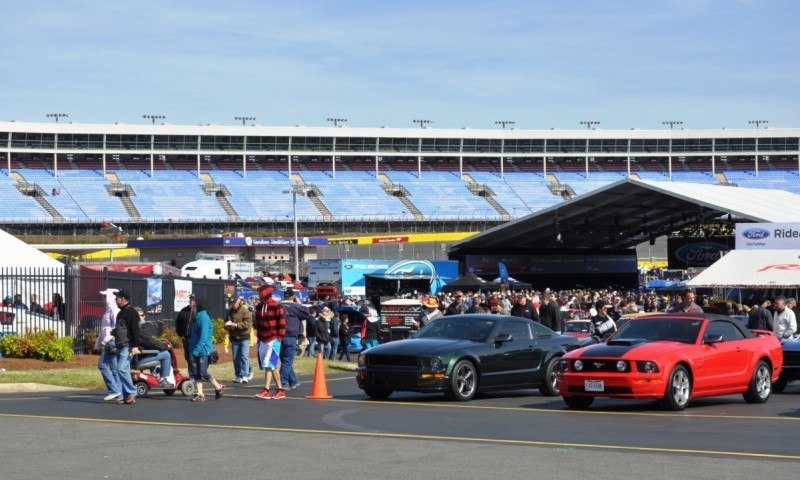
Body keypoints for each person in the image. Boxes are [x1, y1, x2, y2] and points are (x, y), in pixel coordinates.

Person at [254, 280, 287, 400]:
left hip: (273, 339)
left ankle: (268, 390)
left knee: (269, 364)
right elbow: (257, 323)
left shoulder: (276, 305)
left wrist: (279, 338)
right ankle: (279, 389)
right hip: (263, 339)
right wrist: (256, 335)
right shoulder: (259, 307)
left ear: (266, 293)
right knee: (271, 366)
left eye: (260, 292)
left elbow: (282, 323)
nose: (258, 294)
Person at [188, 298, 225, 402]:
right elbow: (208, 330)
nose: (193, 307)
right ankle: (200, 393)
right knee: (196, 373)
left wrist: (196, 350)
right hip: (195, 349)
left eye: (194, 305)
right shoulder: (197, 317)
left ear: (199, 306)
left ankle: (218, 387)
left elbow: (204, 337)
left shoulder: (203, 317)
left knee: (203, 372)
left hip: (203, 350)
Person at [132, 307, 174, 387]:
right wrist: (165, 347)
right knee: (166, 354)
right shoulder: (139, 331)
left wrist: (159, 344)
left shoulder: (134, 329)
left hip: (137, 357)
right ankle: (163, 379)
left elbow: (150, 342)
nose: (145, 316)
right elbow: (151, 343)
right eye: (142, 315)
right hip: (139, 359)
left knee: (156, 351)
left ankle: (155, 372)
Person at [280, 288, 313, 389]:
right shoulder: (294, 307)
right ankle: (283, 383)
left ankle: (293, 381)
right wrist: (299, 303)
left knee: (285, 361)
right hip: (290, 336)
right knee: (287, 361)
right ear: (293, 297)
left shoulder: (278, 306)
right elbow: (306, 314)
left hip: (278, 336)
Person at [111, 289, 139, 404]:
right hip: (119, 345)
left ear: (122, 299)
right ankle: (124, 394)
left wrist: (135, 346)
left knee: (121, 369)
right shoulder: (120, 313)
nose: (115, 299)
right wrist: (114, 332)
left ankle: (132, 392)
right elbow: (122, 328)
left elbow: (135, 330)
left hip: (127, 346)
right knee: (122, 370)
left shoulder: (131, 312)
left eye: (117, 297)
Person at [96, 289, 121, 401]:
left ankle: (114, 390)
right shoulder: (108, 310)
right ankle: (120, 394)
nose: (102, 299)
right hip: (109, 341)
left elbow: (116, 327)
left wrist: (109, 339)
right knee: (114, 369)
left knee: (102, 364)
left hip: (111, 341)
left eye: (104, 296)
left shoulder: (114, 310)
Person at [225, 295, 253, 384]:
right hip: (234, 338)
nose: (232, 305)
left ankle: (245, 375)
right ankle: (238, 375)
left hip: (244, 337)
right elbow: (225, 322)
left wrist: (236, 325)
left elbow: (248, 324)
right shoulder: (230, 312)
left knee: (244, 357)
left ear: (238, 302)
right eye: (231, 304)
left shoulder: (245, 310)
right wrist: (227, 326)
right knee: (236, 358)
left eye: (233, 303)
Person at [175, 295, 197, 379]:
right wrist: (181, 335)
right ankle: (193, 374)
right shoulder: (184, 311)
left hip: (194, 339)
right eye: (191, 300)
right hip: (185, 338)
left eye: (194, 300)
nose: (192, 302)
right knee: (188, 357)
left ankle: (193, 376)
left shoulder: (198, 312)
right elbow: (177, 323)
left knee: (192, 357)